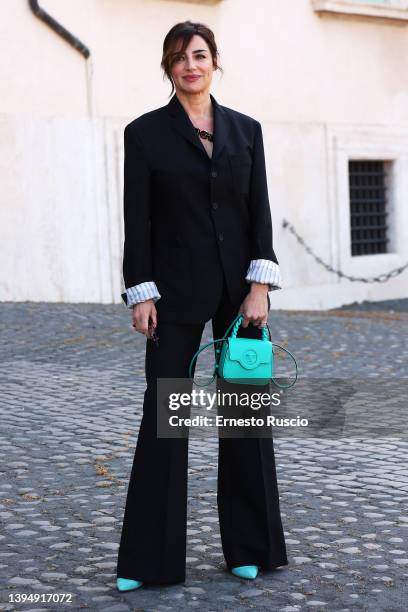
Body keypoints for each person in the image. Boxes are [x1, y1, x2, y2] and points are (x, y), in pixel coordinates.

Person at [116, 20, 288, 591]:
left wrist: (260, 286)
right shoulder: (144, 135)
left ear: (215, 61)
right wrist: (141, 291)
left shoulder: (247, 131)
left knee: (245, 418)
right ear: (168, 69)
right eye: (178, 58)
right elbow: (136, 220)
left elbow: (258, 212)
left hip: (242, 297)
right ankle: (149, 562)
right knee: (165, 423)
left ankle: (252, 549)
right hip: (173, 297)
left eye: (199, 54)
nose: (190, 65)